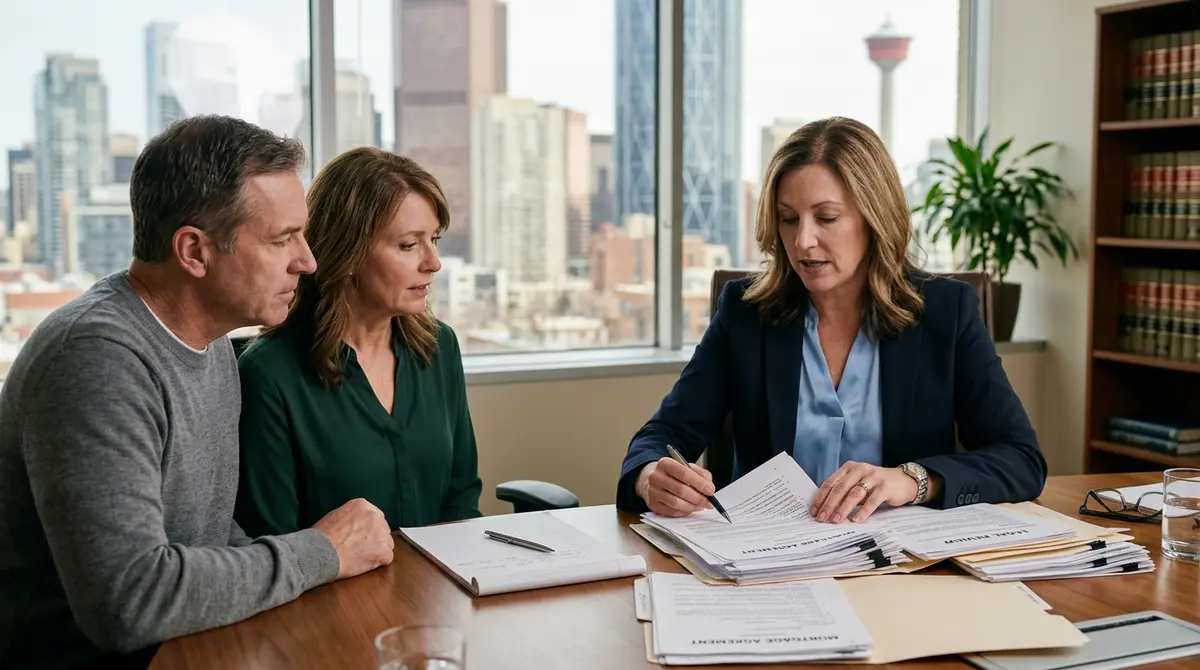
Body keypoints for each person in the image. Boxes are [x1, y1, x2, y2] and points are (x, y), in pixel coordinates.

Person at [0, 116, 395, 670]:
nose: (307, 261)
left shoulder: (210, 345)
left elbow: (206, 535)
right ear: (194, 251)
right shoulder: (97, 359)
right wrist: (323, 551)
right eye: (282, 239)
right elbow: (129, 601)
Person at [615, 116, 1046, 525]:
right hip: (766, 566)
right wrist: (651, 475)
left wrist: (911, 480)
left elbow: (1020, 459)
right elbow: (662, 434)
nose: (802, 241)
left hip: (899, 570)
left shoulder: (945, 312)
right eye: (788, 219)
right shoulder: (745, 312)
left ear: (874, 218)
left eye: (826, 218)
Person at [233, 147, 481, 538]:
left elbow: (462, 494)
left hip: (439, 588)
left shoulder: (439, 346)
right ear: (347, 251)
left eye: (433, 239)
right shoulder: (269, 373)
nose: (433, 262)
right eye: (408, 245)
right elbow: (273, 542)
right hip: (331, 596)